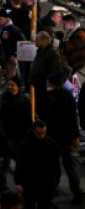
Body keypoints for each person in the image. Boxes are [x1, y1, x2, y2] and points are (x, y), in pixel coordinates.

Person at [41, 71, 83, 203]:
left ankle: (76, 192)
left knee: (67, 166)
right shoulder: (53, 96)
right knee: (57, 165)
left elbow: (72, 120)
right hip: (55, 136)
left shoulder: (64, 98)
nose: (47, 85)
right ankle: (56, 187)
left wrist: (75, 137)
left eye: (49, 83)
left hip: (62, 137)